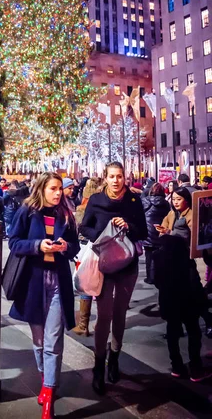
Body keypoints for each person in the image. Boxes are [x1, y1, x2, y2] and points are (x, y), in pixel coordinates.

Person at [8, 172, 79, 419]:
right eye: (53, 188)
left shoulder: (66, 213)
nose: (58, 193)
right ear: (41, 189)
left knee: (53, 340)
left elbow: (75, 247)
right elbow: (14, 242)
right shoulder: (27, 211)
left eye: (60, 188)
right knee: (39, 341)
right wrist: (38, 245)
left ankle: (49, 392)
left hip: (59, 281)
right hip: (33, 282)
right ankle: (44, 377)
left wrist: (65, 247)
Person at [81, 161, 147, 395]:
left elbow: (144, 232)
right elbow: (84, 228)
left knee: (120, 313)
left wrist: (128, 225)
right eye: (112, 176)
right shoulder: (97, 200)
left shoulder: (133, 200)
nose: (116, 180)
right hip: (103, 264)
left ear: (124, 177)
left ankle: (115, 357)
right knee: (104, 315)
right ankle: (99, 366)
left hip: (127, 265)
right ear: (105, 178)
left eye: (119, 176)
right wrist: (103, 234)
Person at [154, 235, 212, 382]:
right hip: (187, 303)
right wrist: (202, 300)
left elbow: (156, 281)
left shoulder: (159, 259)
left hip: (168, 302)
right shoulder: (186, 260)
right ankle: (196, 369)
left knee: (172, 333)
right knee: (194, 333)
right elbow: (194, 283)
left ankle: (177, 366)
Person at [73, 177, 100, 336]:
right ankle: (93, 324)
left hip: (85, 248)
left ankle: (83, 324)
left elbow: (80, 229)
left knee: (85, 282)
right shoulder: (102, 204)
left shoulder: (83, 208)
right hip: (98, 247)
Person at [141, 183, 170, 285]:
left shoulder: (144, 201)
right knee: (159, 255)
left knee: (149, 256)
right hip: (159, 230)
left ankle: (150, 277)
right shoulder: (166, 203)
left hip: (148, 231)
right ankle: (158, 276)